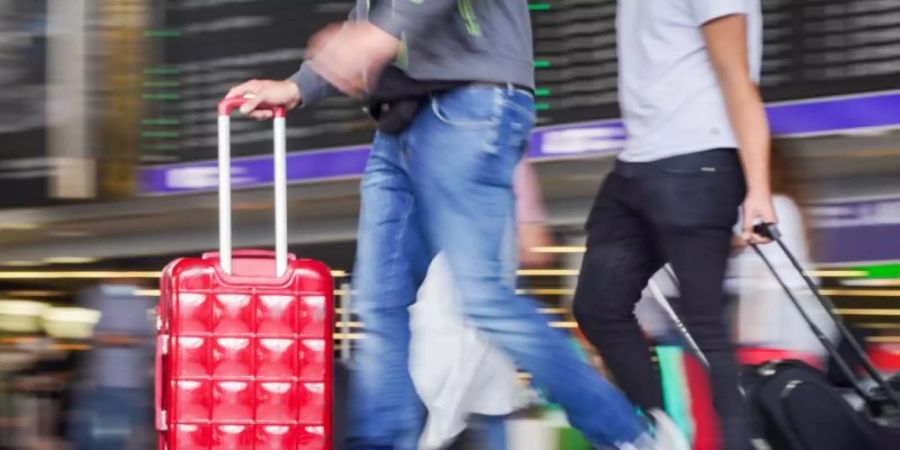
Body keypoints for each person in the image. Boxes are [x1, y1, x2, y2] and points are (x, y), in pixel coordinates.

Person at [227, 1, 687, 449]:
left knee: (483, 298)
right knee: (378, 300)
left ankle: (629, 435)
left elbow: (384, 25)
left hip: (471, 102)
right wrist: (301, 85)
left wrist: (376, 37)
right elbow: (376, 12)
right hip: (402, 117)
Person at [572, 1, 775, 450]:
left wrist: (758, 190)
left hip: (699, 159)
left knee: (705, 326)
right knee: (597, 306)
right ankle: (658, 436)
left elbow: (737, 78)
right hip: (636, 164)